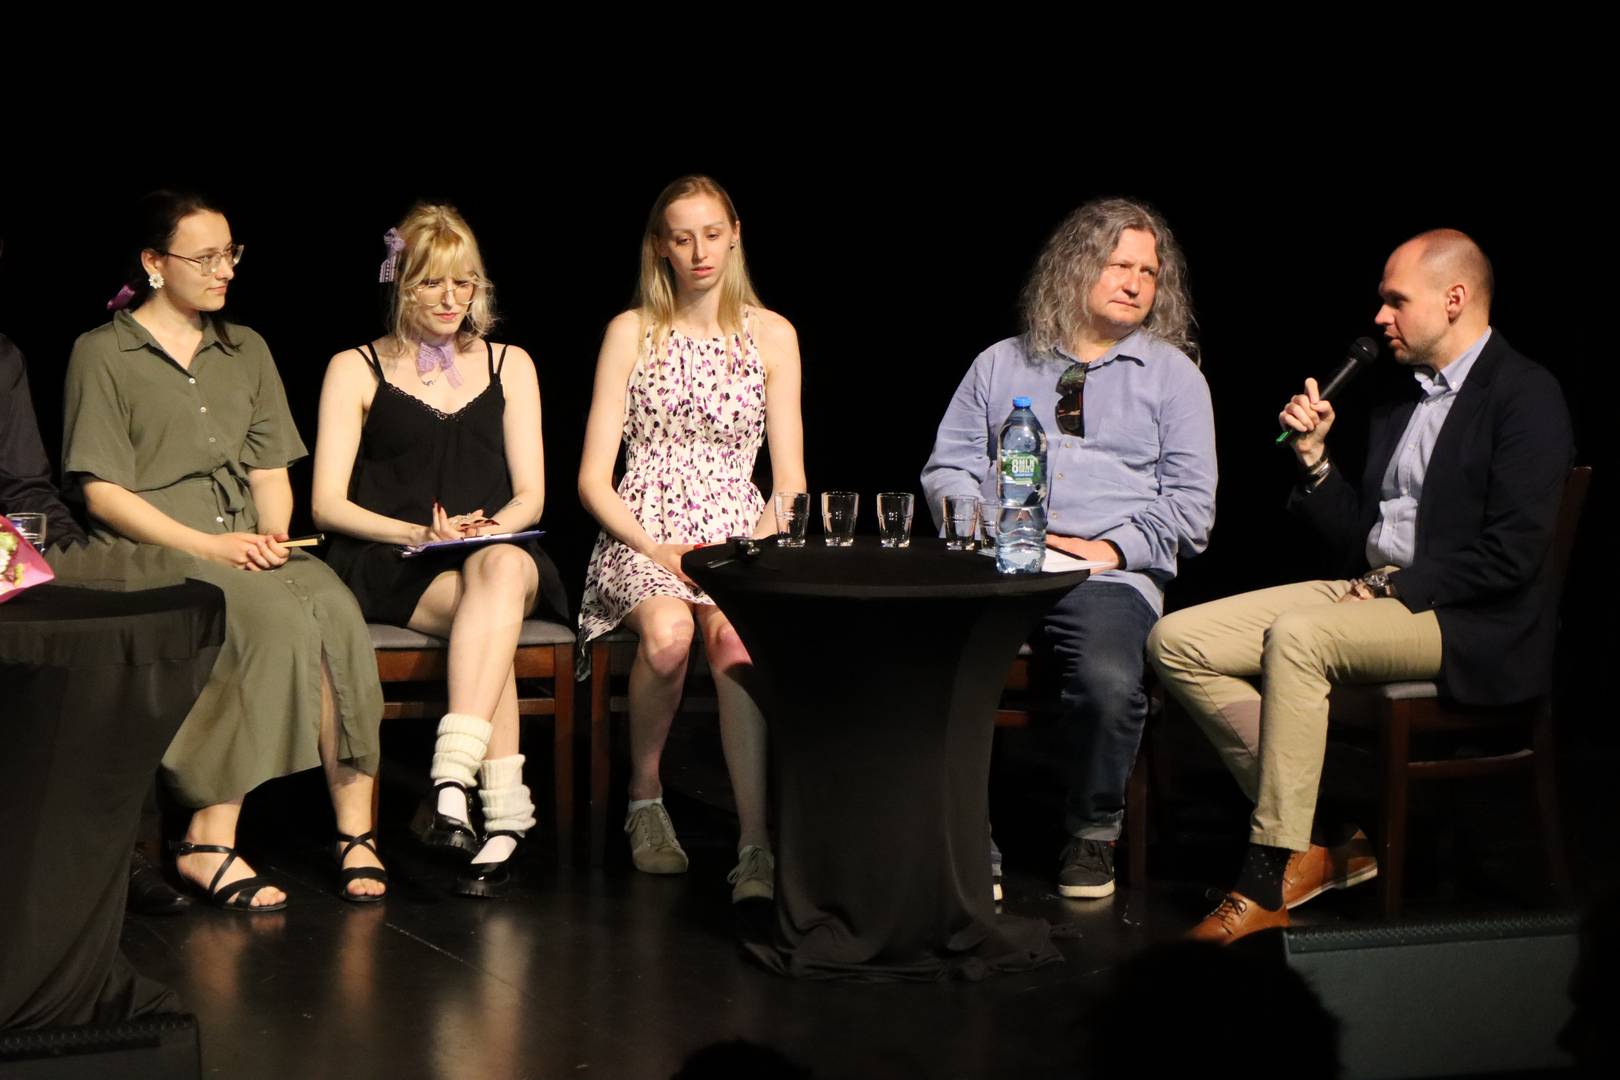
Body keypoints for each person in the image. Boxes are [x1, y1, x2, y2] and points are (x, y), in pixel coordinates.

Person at [1149, 229, 1574, 943]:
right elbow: (1362, 540)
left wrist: (1392, 591)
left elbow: (1513, 555)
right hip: (1378, 589)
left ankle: (1266, 878)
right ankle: (1316, 836)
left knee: (1299, 639)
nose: (1380, 317)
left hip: (1468, 618)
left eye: (1395, 301)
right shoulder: (1398, 401)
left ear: (1455, 298)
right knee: (1176, 639)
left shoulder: (1524, 394)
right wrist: (1315, 462)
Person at [60, 191, 386, 908]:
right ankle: (207, 840)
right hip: (154, 543)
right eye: (205, 258)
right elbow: (101, 493)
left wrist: (270, 534)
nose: (225, 271)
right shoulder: (102, 352)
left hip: (243, 537)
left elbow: (270, 471)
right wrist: (208, 546)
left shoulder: (248, 349)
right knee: (265, 619)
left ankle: (355, 832)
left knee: (335, 610)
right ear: (154, 262)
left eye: (230, 255)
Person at [921, 197, 1216, 900]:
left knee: (1110, 681)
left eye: (1148, 272)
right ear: (1075, 267)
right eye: (1119, 265)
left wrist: (1108, 550)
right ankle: (968, 842)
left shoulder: (1174, 376)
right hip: (1003, 563)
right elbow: (948, 468)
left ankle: (1092, 830)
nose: (1135, 283)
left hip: (1107, 576)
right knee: (936, 667)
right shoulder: (1000, 363)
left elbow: (1192, 507)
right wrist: (990, 527)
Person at [313, 203, 568, 898]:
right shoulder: (355, 367)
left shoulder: (511, 364)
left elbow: (531, 495)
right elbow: (326, 504)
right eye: (432, 283)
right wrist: (418, 534)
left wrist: (489, 529)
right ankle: (504, 818)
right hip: (396, 560)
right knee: (491, 623)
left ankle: (451, 779)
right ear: (401, 284)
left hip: (494, 551)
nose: (452, 298)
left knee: (503, 569)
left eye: (464, 282)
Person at [577, 175, 805, 902]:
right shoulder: (631, 332)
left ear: (735, 234)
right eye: (683, 238)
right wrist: (656, 550)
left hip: (736, 535)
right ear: (661, 248)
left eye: (712, 233)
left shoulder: (772, 335)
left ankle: (756, 844)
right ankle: (645, 800)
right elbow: (593, 480)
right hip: (643, 532)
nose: (700, 251)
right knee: (671, 633)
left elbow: (790, 483)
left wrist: (747, 552)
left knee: (734, 638)